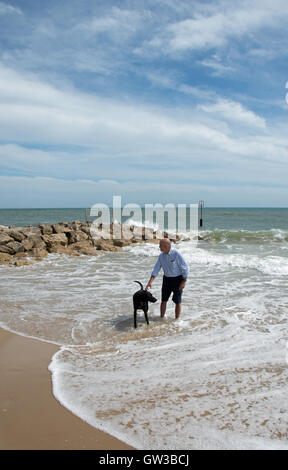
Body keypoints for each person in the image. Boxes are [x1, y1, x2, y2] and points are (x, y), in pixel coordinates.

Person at [145, 238, 189, 319]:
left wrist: (184, 281)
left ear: (165, 246)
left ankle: (177, 320)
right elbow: (156, 269)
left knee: (177, 301)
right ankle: (161, 318)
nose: (159, 247)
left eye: (160, 246)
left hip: (178, 280)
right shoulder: (161, 256)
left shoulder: (176, 253)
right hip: (166, 280)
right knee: (164, 300)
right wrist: (150, 282)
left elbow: (185, 268)